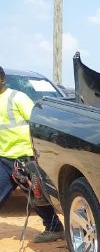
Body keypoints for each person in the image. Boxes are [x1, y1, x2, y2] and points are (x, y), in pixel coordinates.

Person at [0, 66, 64, 242]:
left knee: (38, 196)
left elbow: (37, 123)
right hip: (4, 158)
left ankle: (54, 228)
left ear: (2, 80)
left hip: (26, 157)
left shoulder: (17, 98)